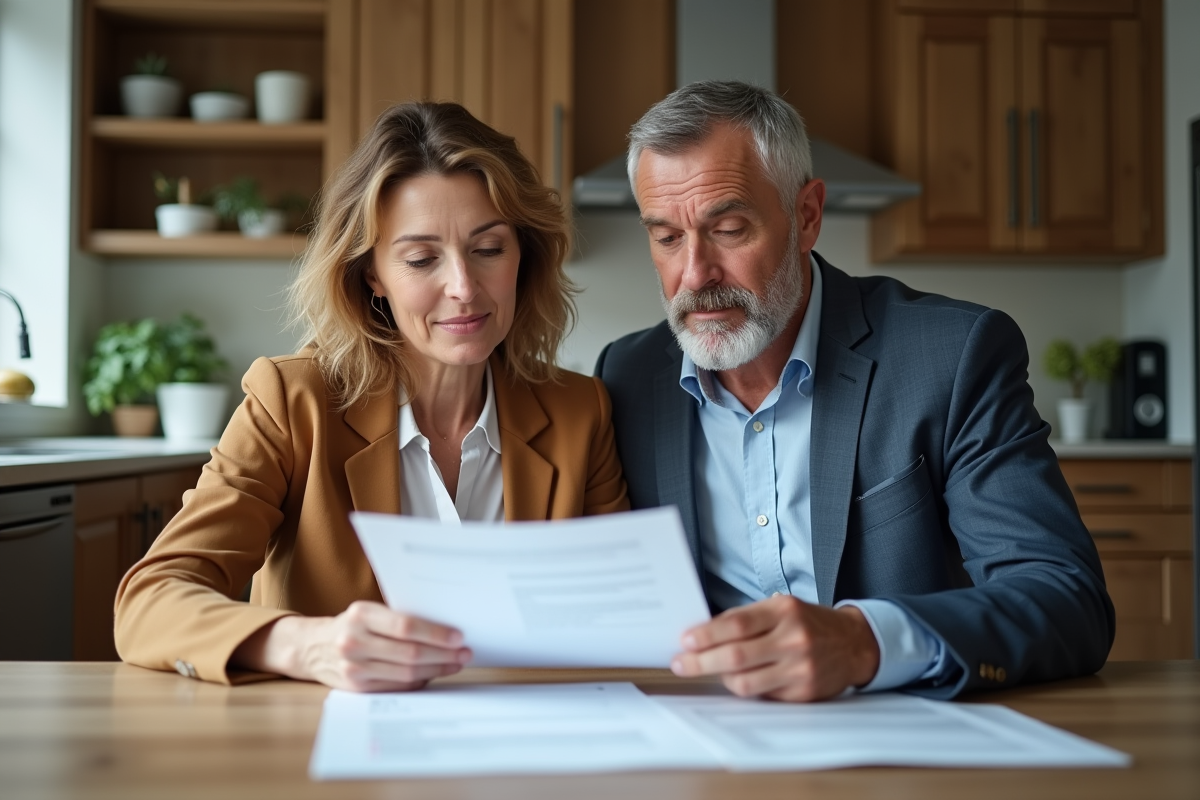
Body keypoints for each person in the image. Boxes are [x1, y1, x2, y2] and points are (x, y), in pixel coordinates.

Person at [595, 81, 1114, 702]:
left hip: (905, 745)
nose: (694, 274)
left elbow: (1065, 598)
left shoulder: (951, 357)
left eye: (729, 229)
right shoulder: (625, 376)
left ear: (807, 216)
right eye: (666, 237)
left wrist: (864, 641)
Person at [115, 102, 628, 690]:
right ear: (371, 275)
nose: (463, 288)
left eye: (489, 249)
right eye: (420, 258)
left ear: (523, 256)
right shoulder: (293, 400)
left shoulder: (580, 411)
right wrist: (305, 645)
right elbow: (149, 602)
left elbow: (620, 619)